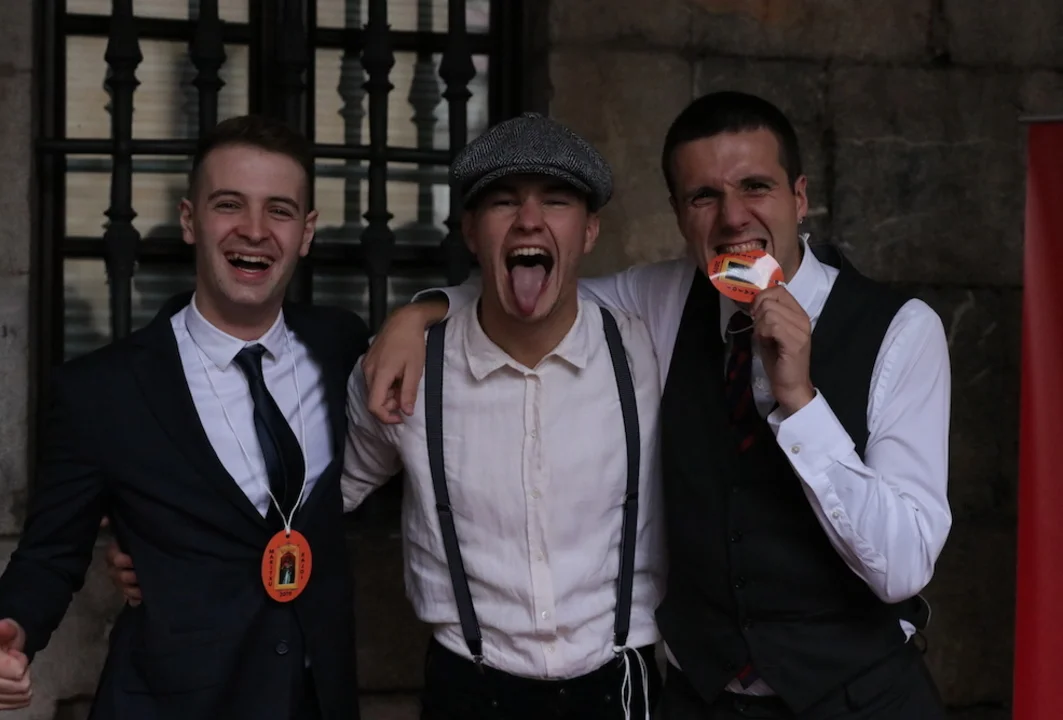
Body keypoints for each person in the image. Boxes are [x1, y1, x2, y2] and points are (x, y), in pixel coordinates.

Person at [363, 92, 953, 719]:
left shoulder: (900, 330)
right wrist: (420, 313)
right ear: (678, 213)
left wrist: (801, 402)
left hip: (860, 700)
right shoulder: (664, 300)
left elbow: (903, 567)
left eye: (756, 186)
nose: (733, 217)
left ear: (799, 197)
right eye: (704, 196)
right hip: (705, 700)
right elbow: (538, 294)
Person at [0, 115, 368, 719]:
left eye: (280, 210)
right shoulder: (101, 391)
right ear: (190, 220)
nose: (255, 230)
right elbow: (49, 553)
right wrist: (5, 633)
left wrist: (422, 311)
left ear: (306, 232)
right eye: (229, 204)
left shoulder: (341, 346)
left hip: (315, 702)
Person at [344, 112, 666, 719]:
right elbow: (321, 493)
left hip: (619, 685)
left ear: (590, 231)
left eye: (557, 200)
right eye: (503, 201)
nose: (529, 219)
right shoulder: (408, 368)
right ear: (471, 231)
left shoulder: (646, 347)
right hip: (470, 689)